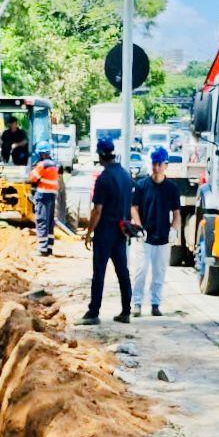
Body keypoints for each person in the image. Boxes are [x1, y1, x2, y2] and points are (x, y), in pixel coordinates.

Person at [79, 138, 134, 325]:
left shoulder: (104, 178)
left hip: (105, 232)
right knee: (122, 272)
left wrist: (88, 233)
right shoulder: (126, 176)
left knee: (99, 273)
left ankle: (93, 312)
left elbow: (97, 210)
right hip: (121, 231)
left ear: (102, 155)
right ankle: (126, 311)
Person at [130, 146, 182, 317]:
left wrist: (174, 229)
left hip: (163, 237)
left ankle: (155, 303)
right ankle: (137, 303)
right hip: (145, 237)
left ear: (166, 165)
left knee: (159, 273)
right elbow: (134, 208)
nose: (156, 167)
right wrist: (139, 227)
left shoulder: (171, 188)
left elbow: (176, 213)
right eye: (154, 163)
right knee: (141, 271)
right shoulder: (142, 185)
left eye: (160, 164)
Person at [28, 145, 59, 258]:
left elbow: (32, 178)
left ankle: (42, 249)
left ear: (41, 153)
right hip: (52, 195)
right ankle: (49, 248)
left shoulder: (42, 165)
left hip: (43, 195)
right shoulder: (54, 164)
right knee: (49, 222)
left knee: (41, 221)